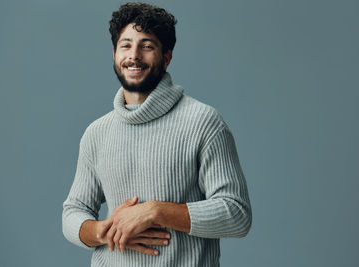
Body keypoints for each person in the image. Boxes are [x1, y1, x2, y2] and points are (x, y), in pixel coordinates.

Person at [62, 2, 252, 266]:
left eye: (147, 45)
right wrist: (104, 231)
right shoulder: (97, 133)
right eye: (125, 45)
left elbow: (237, 213)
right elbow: (73, 211)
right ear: (115, 54)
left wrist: (155, 211)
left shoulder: (203, 122)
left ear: (167, 57)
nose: (134, 55)